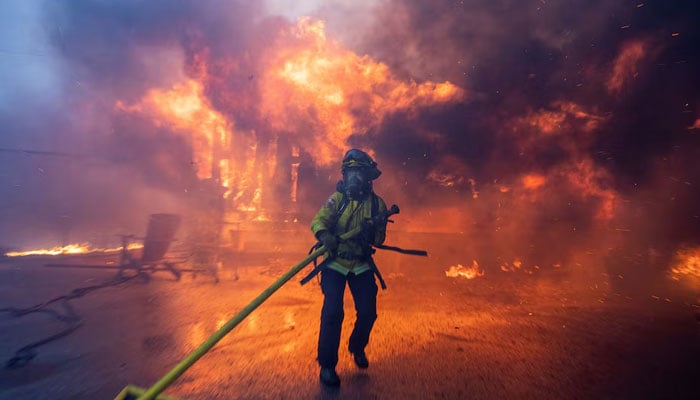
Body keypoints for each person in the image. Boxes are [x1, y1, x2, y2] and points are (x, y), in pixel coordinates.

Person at [310, 148, 389, 387]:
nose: (354, 179)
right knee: (332, 313)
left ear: (368, 177)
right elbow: (318, 220)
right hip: (335, 264)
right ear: (345, 175)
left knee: (368, 312)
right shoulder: (338, 199)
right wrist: (325, 236)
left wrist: (371, 232)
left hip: (361, 265)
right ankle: (327, 366)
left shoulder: (378, 205)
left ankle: (357, 347)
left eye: (359, 173)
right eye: (350, 173)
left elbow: (379, 239)